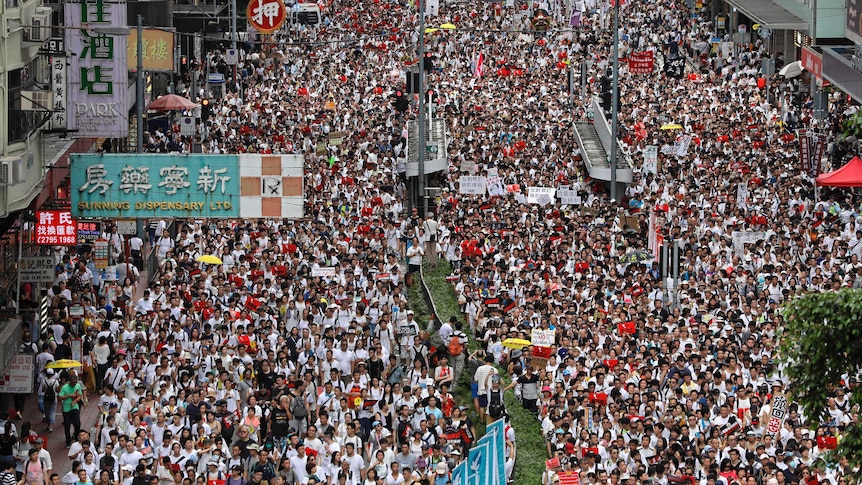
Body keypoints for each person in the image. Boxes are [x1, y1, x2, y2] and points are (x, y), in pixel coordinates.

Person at [58, 371, 86, 448]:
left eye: (76, 382)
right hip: (66, 409)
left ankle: (77, 439)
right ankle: (68, 441)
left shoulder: (78, 386)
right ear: (70, 381)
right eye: (73, 382)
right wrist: (69, 395)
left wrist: (75, 401)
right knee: (67, 425)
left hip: (75, 407)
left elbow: (80, 395)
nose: (74, 384)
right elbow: (60, 397)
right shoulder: (65, 387)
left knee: (77, 423)